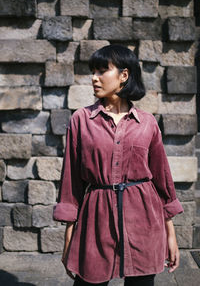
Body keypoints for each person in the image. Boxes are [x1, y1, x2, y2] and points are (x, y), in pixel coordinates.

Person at [53, 44, 184, 286]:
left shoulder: (147, 123)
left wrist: (171, 236)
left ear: (124, 75)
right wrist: (69, 239)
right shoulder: (81, 120)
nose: (94, 77)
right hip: (96, 218)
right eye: (93, 71)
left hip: (144, 218)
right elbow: (71, 182)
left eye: (103, 70)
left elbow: (162, 180)